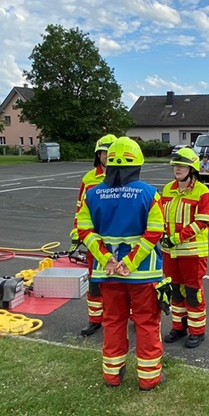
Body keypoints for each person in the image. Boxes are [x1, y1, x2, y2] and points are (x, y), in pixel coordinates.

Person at [76, 137, 167, 390]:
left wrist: (107, 258)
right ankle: (149, 378)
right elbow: (154, 232)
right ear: (137, 164)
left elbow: (85, 230)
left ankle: (112, 376)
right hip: (142, 275)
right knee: (147, 323)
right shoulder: (149, 193)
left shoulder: (92, 194)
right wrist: (129, 261)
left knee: (113, 322)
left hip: (107, 275)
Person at [160, 147, 209, 349]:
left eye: (182, 165)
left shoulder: (203, 193)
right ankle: (178, 326)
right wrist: (161, 236)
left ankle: (197, 331)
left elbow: (201, 222)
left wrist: (176, 238)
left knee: (193, 292)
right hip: (170, 253)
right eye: (175, 165)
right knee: (175, 291)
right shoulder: (167, 189)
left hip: (192, 253)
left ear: (192, 168)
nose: (177, 168)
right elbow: (160, 217)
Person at [74, 134, 117, 337]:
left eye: (110, 153)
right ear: (97, 155)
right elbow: (80, 207)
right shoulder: (89, 179)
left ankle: (131, 316)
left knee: (123, 280)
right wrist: (77, 231)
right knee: (94, 281)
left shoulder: (124, 176)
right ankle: (95, 319)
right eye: (103, 152)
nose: (107, 156)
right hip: (95, 239)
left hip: (119, 238)